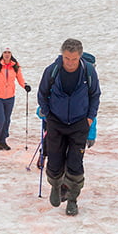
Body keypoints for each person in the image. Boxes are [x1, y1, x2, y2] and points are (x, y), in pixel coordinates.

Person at [38, 38, 101, 216]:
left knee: (75, 165)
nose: (70, 63)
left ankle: (72, 199)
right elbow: (42, 94)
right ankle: (56, 186)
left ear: (80, 56)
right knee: (55, 162)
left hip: (79, 124)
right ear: (62, 55)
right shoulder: (52, 70)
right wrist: (48, 114)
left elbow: (95, 95)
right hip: (56, 123)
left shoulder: (88, 71)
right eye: (67, 58)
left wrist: (90, 118)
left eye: (74, 59)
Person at [0, 47, 31, 150]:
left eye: (9, 52)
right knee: (1, 119)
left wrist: (25, 85)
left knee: (7, 120)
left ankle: (3, 141)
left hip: (10, 97)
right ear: (2, 53)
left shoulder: (15, 65)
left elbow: (20, 79)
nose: (7, 54)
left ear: (11, 54)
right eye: (5, 52)